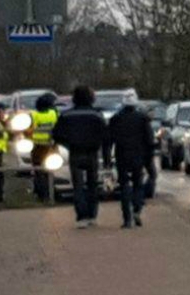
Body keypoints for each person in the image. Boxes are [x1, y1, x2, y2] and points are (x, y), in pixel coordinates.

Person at [53, 86, 110, 229]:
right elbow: (105, 136)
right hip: (92, 153)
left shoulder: (66, 115)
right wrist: (104, 155)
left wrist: (69, 144)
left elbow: (56, 134)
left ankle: (81, 216)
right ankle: (92, 215)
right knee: (92, 185)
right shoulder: (97, 115)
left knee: (77, 186)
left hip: (75, 152)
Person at [109, 97, 155, 228]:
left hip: (122, 155)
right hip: (138, 156)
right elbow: (150, 140)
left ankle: (127, 219)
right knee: (138, 184)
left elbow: (109, 139)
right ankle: (137, 209)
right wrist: (149, 157)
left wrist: (108, 158)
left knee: (124, 185)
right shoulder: (142, 118)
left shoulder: (116, 118)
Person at [29, 93, 60, 202]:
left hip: (38, 146)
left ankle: (41, 195)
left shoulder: (34, 115)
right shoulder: (53, 113)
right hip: (51, 146)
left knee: (38, 171)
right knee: (50, 172)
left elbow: (28, 130)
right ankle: (51, 194)